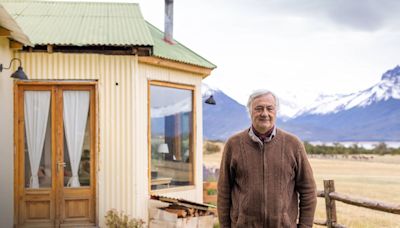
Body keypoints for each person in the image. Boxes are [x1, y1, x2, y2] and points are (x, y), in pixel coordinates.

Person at [217, 89, 317, 228]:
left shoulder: (294, 145)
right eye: (259, 108)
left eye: (269, 108)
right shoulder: (233, 144)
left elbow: (308, 191)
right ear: (250, 112)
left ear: (276, 112)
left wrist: (305, 226)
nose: (264, 113)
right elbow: (224, 191)